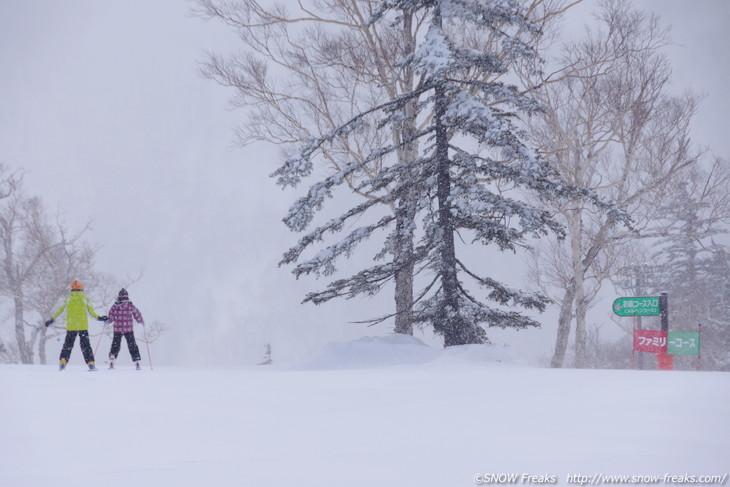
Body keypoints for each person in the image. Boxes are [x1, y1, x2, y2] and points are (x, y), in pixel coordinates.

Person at [45, 280, 107, 371]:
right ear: (82, 289)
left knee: (67, 345)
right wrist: (100, 318)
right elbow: (91, 314)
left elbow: (60, 312)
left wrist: (52, 320)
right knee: (86, 346)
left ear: (72, 289)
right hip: (82, 326)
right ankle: (90, 362)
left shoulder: (68, 300)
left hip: (71, 326)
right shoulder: (85, 300)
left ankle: (63, 361)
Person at [106, 288, 145, 370]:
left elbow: (110, 318)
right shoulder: (130, 305)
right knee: (132, 345)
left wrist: (107, 321)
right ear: (127, 297)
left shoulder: (115, 306)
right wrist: (140, 321)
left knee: (115, 344)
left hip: (117, 329)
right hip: (128, 329)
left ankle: (112, 358)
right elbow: (137, 313)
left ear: (119, 297)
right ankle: (136, 359)